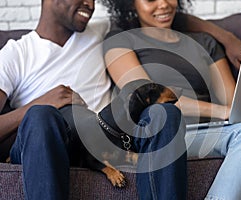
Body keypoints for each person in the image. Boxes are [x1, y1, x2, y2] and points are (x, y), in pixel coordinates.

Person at [0, 0, 188, 199]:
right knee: (41, 115)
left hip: (104, 139)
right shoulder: (14, 56)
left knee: (165, 113)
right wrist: (40, 103)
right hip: (47, 141)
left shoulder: (101, 31)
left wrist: (224, 37)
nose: (90, 4)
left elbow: (163, 13)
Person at [100, 0, 241, 199]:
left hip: (213, 129)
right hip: (164, 134)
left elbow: (233, 100)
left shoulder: (203, 41)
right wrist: (223, 111)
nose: (163, 4)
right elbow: (147, 98)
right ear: (131, 4)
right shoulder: (120, 40)